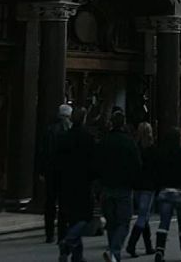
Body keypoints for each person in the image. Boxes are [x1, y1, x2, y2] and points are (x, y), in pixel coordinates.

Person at [94, 107, 141, 262]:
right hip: (124, 187)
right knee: (124, 221)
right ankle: (114, 250)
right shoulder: (129, 143)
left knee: (111, 222)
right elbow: (137, 165)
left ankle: (113, 251)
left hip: (106, 186)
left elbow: (97, 164)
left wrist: (98, 184)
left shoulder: (104, 141)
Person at [55, 106, 96, 262]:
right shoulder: (88, 138)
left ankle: (77, 255)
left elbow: (57, 160)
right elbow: (93, 162)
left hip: (66, 182)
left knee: (73, 217)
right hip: (83, 183)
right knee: (85, 217)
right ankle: (68, 240)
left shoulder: (64, 137)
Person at [153, 127, 181, 262]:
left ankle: (159, 251)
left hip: (165, 191)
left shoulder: (161, 153)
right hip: (180, 191)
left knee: (163, 223)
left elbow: (158, 173)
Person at [39, 103, 72, 243]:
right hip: (64, 172)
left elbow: (43, 151)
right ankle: (62, 234)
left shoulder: (49, 129)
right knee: (63, 203)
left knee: (50, 202)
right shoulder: (68, 130)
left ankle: (49, 233)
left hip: (50, 171)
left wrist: (41, 170)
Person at [126, 120, 158, 257]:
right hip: (148, 186)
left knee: (144, 216)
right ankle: (131, 245)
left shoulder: (135, 148)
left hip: (137, 185)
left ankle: (148, 245)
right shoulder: (151, 149)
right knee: (143, 216)